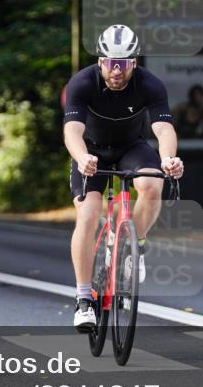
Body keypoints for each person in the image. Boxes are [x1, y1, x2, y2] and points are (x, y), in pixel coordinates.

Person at [63, 24, 184, 333]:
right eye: (111, 63)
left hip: (131, 147)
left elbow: (163, 128)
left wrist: (169, 157)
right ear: (101, 61)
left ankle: (135, 244)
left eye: (124, 64)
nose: (117, 71)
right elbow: (72, 130)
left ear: (135, 63)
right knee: (88, 216)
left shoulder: (150, 84)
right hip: (91, 152)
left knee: (152, 183)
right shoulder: (82, 82)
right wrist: (81, 157)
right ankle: (82, 300)